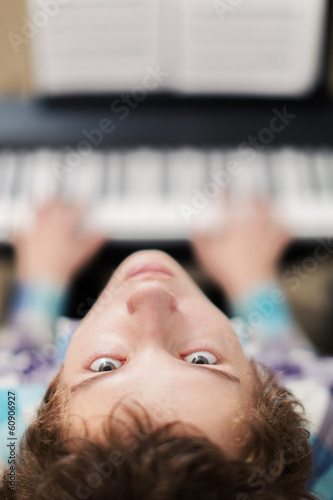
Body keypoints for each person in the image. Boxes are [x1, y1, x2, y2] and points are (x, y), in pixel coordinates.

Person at [0, 201, 332, 500]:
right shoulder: (319, 414)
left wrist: (41, 278)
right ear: (267, 384)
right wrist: (252, 281)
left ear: (48, 395)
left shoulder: (11, 413)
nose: (150, 297)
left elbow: (21, 354)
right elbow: (292, 361)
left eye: (104, 366)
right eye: (201, 360)